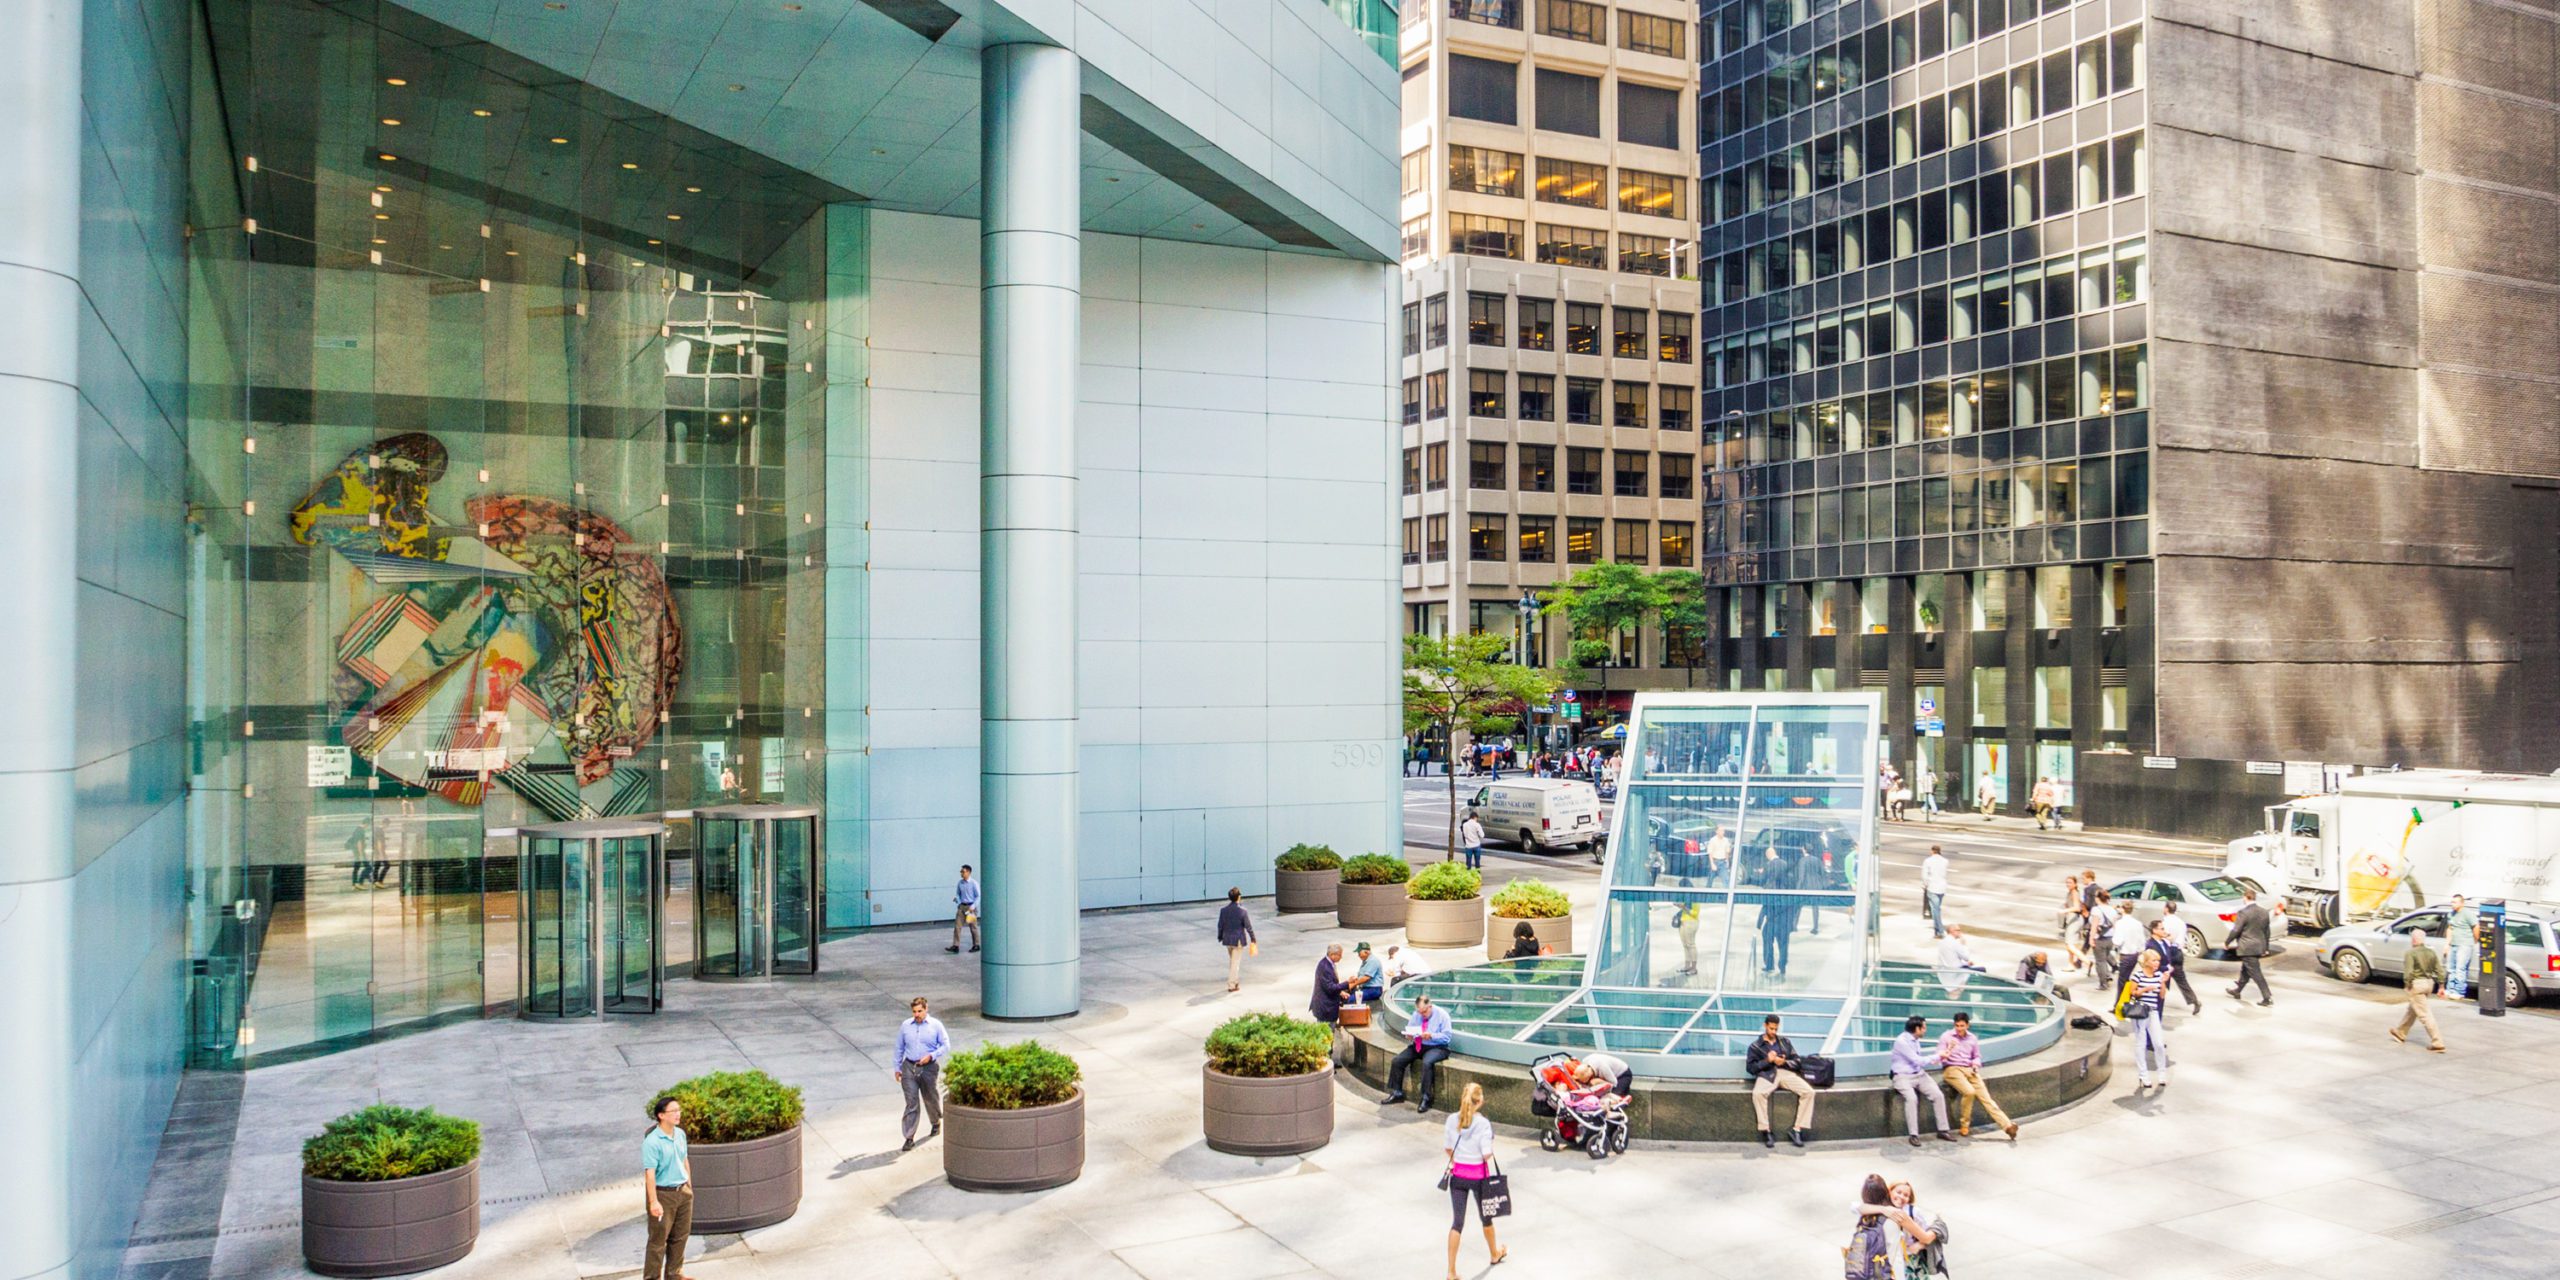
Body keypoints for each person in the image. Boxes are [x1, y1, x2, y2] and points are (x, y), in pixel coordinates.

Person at [1440, 1082, 1507, 1280]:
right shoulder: (1483, 1124)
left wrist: (1460, 1157)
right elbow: (1486, 1154)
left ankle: (1451, 1271)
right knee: (1486, 1218)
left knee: (1457, 1223)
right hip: (1479, 1178)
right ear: (1480, 1101)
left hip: (1458, 1176)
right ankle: (1494, 1253)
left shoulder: (1452, 1119)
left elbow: (1448, 1148)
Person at [1936, 1010, 2016, 1141]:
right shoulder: (1946, 1037)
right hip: (1952, 1068)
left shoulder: (1972, 1038)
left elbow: (1977, 1056)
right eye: (1957, 1025)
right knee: (1969, 1092)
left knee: (1987, 1099)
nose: (1959, 1028)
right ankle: (1964, 1125)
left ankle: (2007, 1126)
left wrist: (1975, 1065)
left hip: (1970, 1070)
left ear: (1967, 1025)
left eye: (1962, 1026)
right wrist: (1949, 1049)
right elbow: (1940, 1057)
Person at [640, 1094, 693, 1280]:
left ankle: (674, 1274)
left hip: (683, 1192)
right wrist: (654, 1201)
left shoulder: (680, 1134)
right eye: (673, 1111)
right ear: (661, 1115)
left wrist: (689, 1185)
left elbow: (684, 1159)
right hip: (663, 1194)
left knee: (680, 1236)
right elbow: (650, 1174)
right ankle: (652, 1278)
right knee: (658, 1242)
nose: (678, 1114)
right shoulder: (652, 1142)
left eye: (679, 1110)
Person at [1745, 1014, 1815, 1148]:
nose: (1774, 1032)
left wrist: (1784, 1062)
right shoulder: (1755, 1046)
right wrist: (1768, 1061)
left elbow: (1797, 1062)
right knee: (1758, 1094)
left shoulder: (1785, 1042)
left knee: (1809, 1092)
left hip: (1785, 1073)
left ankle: (1797, 1130)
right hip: (1767, 1075)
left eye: (1776, 1029)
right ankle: (1766, 1131)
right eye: (1771, 1029)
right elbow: (1751, 1068)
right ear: (1765, 1026)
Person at [1889, 1015, 1957, 1146]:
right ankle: (1913, 1134)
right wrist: (1938, 1055)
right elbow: (1918, 1060)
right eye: (1924, 1027)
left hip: (1919, 1074)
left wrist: (1940, 1057)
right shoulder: (1901, 1041)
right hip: (1902, 1076)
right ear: (1917, 1028)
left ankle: (1943, 1130)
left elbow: (1921, 1062)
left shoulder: (1915, 1039)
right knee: (1911, 1099)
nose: (1925, 1030)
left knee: (1938, 1095)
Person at [894, 996, 950, 1152]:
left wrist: (931, 1056)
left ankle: (935, 1122)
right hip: (909, 1067)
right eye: (914, 1012)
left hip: (928, 1067)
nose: (917, 1014)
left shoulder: (936, 1025)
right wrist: (897, 1068)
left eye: (920, 1011)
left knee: (930, 1097)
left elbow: (946, 1045)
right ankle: (909, 1137)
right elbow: (899, 1048)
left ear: (926, 1009)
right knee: (911, 1102)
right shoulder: (906, 1026)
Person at [1385, 993, 1454, 1111]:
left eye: (1424, 1012)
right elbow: (1411, 1028)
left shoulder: (1442, 1015)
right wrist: (1409, 1035)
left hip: (1438, 1047)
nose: (1422, 1014)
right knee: (1397, 1061)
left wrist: (1431, 1036)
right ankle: (1397, 1092)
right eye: (1419, 1012)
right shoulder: (1416, 1014)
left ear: (1430, 1006)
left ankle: (1426, 1097)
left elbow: (1447, 1037)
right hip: (1419, 1044)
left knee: (1427, 1063)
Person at [2122, 950, 2171, 1090]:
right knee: (2140, 1043)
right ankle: (2143, 1074)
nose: (2157, 963)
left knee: (2159, 1043)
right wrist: (2145, 989)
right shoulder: (2137, 976)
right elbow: (2133, 993)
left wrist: (2163, 983)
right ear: (2147, 962)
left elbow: (2161, 996)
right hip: (2140, 1012)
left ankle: (2162, 1072)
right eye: (2154, 960)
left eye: (2158, 961)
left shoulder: (2159, 975)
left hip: (2153, 1012)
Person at [2392, 929, 2448, 1052]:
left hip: (2417, 984)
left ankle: (2438, 1042)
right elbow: (2439, 970)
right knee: (2413, 1009)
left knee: (2424, 1014)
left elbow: (2409, 972)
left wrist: (2407, 984)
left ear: (2413, 940)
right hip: (2429, 983)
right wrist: (2442, 986)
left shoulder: (2410, 953)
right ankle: (2400, 1032)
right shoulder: (2431, 952)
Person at [2226, 887, 2274, 1006]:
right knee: (2245, 970)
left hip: (2247, 947)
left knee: (2256, 973)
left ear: (2246, 898)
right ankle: (2237, 991)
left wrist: (2227, 942)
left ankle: (2267, 997)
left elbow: (2236, 929)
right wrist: (2266, 947)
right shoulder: (2264, 912)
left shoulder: (2244, 913)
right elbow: (2267, 931)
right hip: (2258, 946)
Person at [1846, 1175, 1897, 1280]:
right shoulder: (1890, 1220)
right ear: (1885, 1191)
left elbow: (1854, 1206)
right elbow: (1895, 1257)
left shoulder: (1864, 1216)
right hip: (1881, 1275)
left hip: (1861, 1273)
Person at [2154, 912, 2204, 1015]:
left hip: (2168, 951)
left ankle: (2156, 1002)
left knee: (2159, 978)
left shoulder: (2165, 922)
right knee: (2181, 980)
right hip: (2178, 951)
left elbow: (2164, 937)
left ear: (2166, 909)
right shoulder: (2181, 922)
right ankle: (2194, 1000)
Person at [1216, 887, 1255, 993]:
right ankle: (1231, 985)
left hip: (1227, 939)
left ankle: (1235, 980)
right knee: (1235, 963)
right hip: (1238, 940)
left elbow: (1220, 925)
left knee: (1233, 962)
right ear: (1238, 897)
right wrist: (1253, 939)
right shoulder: (1242, 911)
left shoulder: (1224, 911)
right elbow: (1248, 927)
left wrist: (1220, 936)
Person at [1309, 944, 1353, 1026]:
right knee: (1326, 1033)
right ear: (1332, 955)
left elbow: (1329, 984)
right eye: (1339, 955)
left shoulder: (1329, 964)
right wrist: (1347, 983)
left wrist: (1341, 992)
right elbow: (1330, 987)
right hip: (1325, 1008)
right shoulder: (1325, 967)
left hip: (1328, 1006)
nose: (1341, 957)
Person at [2108, 898, 2147, 988]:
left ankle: (2121, 1001)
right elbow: (2142, 941)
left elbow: (2117, 941)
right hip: (2135, 955)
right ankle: (2126, 999)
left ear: (2122, 909)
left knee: (2122, 981)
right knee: (2127, 979)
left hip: (2125, 955)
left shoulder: (2120, 923)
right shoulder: (2137, 923)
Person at [1935, 924, 1984, 995]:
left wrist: (1966, 964)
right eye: (1958, 930)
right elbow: (1966, 957)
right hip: (1955, 971)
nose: (1960, 932)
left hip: (1948, 970)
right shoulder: (1954, 943)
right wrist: (1964, 944)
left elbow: (1950, 959)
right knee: (1982, 970)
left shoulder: (1942, 942)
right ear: (1952, 931)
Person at [2446, 894, 2478, 999]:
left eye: (2455, 902)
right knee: (2451, 968)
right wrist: (2447, 944)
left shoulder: (2467, 914)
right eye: (2452, 902)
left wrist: (2475, 940)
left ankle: (2459, 991)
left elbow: (2476, 926)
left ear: (2461, 903)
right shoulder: (2451, 914)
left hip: (2464, 944)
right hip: (2454, 944)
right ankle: (2450, 989)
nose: (2452, 904)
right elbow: (2450, 928)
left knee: (2460, 968)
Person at [945, 863, 981, 954]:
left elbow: (978, 896)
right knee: (957, 926)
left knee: (973, 927)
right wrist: (958, 900)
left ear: (968, 872)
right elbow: (958, 894)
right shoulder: (960, 883)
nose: (961, 873)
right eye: (961, 872)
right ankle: (955, 946)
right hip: (962, 907)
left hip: (970, 907)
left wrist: (973, 906)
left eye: (963, 871)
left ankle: (976, 945)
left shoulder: (974, 883)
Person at [2087, 890, 2119, 982]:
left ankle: (2103, 982)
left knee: (2100, 961)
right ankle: (2107, 974)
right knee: (2105, 958)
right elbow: (2114, 925)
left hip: (2099, 938)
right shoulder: (2112, 910)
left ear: (2097, 898)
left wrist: (2091, 939)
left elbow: (2094, 926)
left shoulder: (2096, 910)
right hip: (2110, 938)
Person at [1920, 845, 1950, 939]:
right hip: (1942, 887)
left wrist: (1925, 885)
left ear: (1932, 851)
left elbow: (1925, 875)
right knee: (1936, 909)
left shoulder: (1928, 861)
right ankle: (1937, 931)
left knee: (1935, 910)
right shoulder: (1945, 861)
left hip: (1932, 887)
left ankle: (1940, 931)